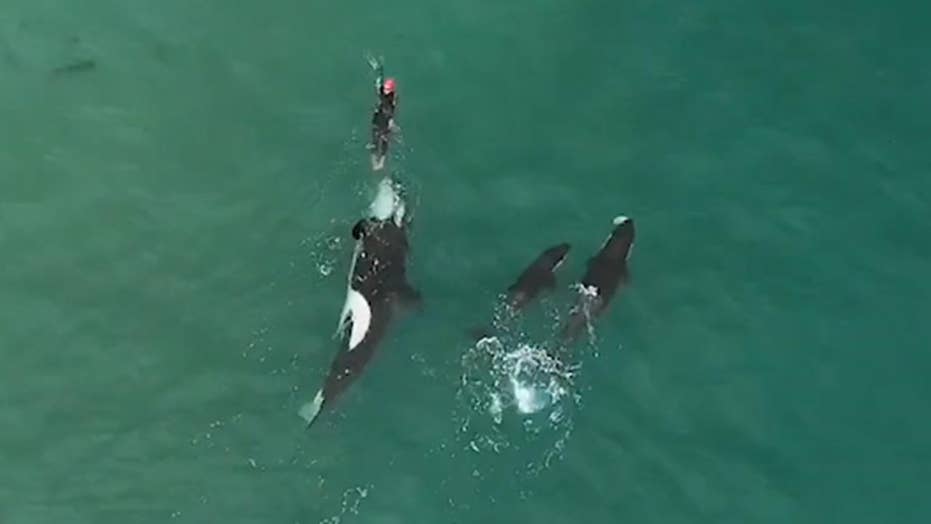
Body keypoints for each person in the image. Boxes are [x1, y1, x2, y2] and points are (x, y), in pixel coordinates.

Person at [368, 59, 398, 171]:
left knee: (384, 139)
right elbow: (379, 82)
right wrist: (379, 69)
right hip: (378, 116)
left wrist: (391, 122)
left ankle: (381, 162)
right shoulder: (381, 90)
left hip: (385, 118)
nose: (385, 90)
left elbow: (392, 111)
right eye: (385, 89)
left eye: (387, 89)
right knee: (374, 139)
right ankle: (374, 161)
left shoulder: (392, 99)